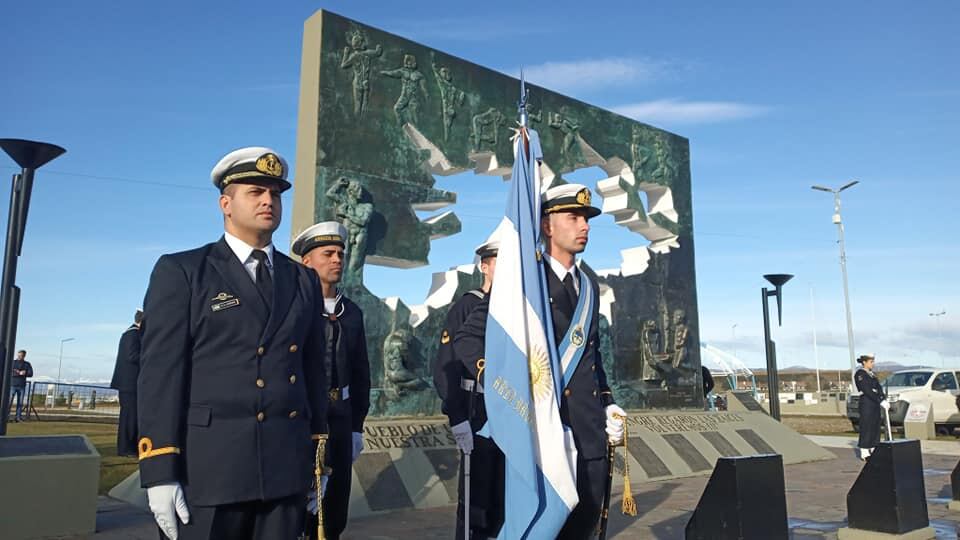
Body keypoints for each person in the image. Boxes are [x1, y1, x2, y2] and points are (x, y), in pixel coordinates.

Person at [137, 147, 330, 540]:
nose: (268, 201)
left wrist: (317, 462)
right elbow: (161, 374)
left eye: (275, 194)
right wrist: (158, 468)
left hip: (283, 468)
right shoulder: (186, 271)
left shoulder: (302, 280)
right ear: (226, 204)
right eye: (255, 192)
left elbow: (312, 370)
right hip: (210, 469)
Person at [455, 184, 625, 539]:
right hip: (541, 434)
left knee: (584, 526)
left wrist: (607, 403)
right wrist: (507, 385)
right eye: (574, 217)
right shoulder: (523, 280)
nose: (585, 226)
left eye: (587, 219)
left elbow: (591, 355)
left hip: (588, 435)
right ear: (547, 226)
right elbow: (469, 340)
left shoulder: (588, 286)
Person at [293, 221, 371, 540]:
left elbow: (361, 373)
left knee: (335, 511)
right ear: (307, 260)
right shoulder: (294, 308)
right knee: (299, 513)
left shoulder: (351, 312)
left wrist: (356, 426)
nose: (337, 259)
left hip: (340, 421)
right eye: (328, 253)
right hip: (303, 421)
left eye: (340, 253)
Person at [433, 234, 505, 539]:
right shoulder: (467, 305)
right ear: (485, 267)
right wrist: (457, 417)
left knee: (501, 498)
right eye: (500, 264)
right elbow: (445, 366)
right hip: (477, 412)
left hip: (508, 410)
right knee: (475, 503)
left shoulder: (513, 310)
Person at [110, 309, 142, 456]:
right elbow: (132, 356)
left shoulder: (131, 333)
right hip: (129, 383)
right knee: (129, 416)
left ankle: (129, 446)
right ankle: (126, 448)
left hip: (129, 383)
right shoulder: (133, 334)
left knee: (131, 415)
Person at [854, 353, 888, 460]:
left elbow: (878, 388)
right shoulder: (860, 374)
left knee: (875, 426)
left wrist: (883, 399)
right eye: (871, 362)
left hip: (874, 403)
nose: (872, 364)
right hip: (867, 403)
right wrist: (879, 399)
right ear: (864, 362)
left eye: (873, 361)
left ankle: (874, 448)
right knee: (867, 426)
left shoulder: (872, 374)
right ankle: (864, 451)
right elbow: (867, 390)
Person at [9, 349, 33, 422]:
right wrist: (18, 373)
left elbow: (31, 373)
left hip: (22, 386)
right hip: (12, 385)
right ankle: (5, 417)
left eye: (22, 355)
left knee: (20, 403)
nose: (20, 356)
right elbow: (8, 371)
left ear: (24, 356)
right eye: (19, 355)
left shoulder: (27, 364)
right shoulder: (12, 362)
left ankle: (18, 418)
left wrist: (24, 373)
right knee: (9, 402)